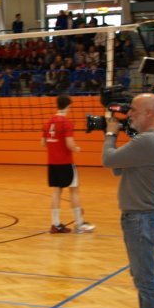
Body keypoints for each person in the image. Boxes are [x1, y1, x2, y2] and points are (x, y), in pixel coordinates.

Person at [102, 93, 154, 308]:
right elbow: (118, 168)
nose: (129, 115)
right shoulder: (144, 140)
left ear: (149, 113)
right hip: (138, 218)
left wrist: (110, 134)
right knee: (142, 281)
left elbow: (108, 160)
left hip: (142, 219)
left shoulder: (149, 140)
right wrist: (120, 138)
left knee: (147, 283)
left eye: (134, 110)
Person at [42, 95, 95, 234]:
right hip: (65, 162)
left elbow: (43, 143)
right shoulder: (66, 123)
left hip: (52, 163)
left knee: (57, 191)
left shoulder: (48, 122)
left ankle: (55, 224)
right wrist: (76, 148)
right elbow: (69, 144)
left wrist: (55, 146)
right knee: (74, 190)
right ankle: (80, 224)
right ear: (68, 106)